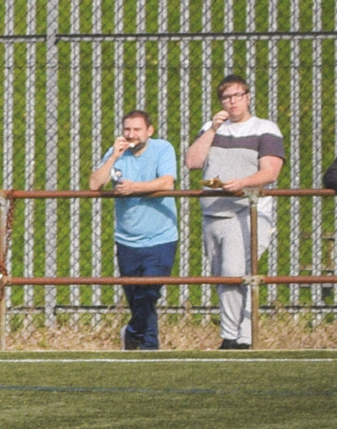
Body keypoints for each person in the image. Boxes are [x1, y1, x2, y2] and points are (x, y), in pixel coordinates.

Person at [181, 75, 283, 351]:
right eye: (227, 97)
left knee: (237, 273)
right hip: (214, 213)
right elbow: (192, 161)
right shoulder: (211, 128)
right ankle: (230, 336)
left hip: (248, 211)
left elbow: (270, 172)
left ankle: (244, 337)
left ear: (248, 97)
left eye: (238, 95)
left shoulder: (264, 128)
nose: (233, 101)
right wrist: (212, 130)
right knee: (223, 277)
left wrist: (243, 183)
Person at [88, 108, 179, 351]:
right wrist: (112, 158)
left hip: (160, 238)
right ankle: (148, 347)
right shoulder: (118, 153)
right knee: (137, 300)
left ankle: (132, 332)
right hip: (127, 240)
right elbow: (94, 183)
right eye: (127, 129)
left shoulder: (163, 149)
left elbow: (167, 182)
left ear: (149, 131)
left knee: (149, 293)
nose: (131, 134)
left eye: (137, 129)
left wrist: (135, 187)